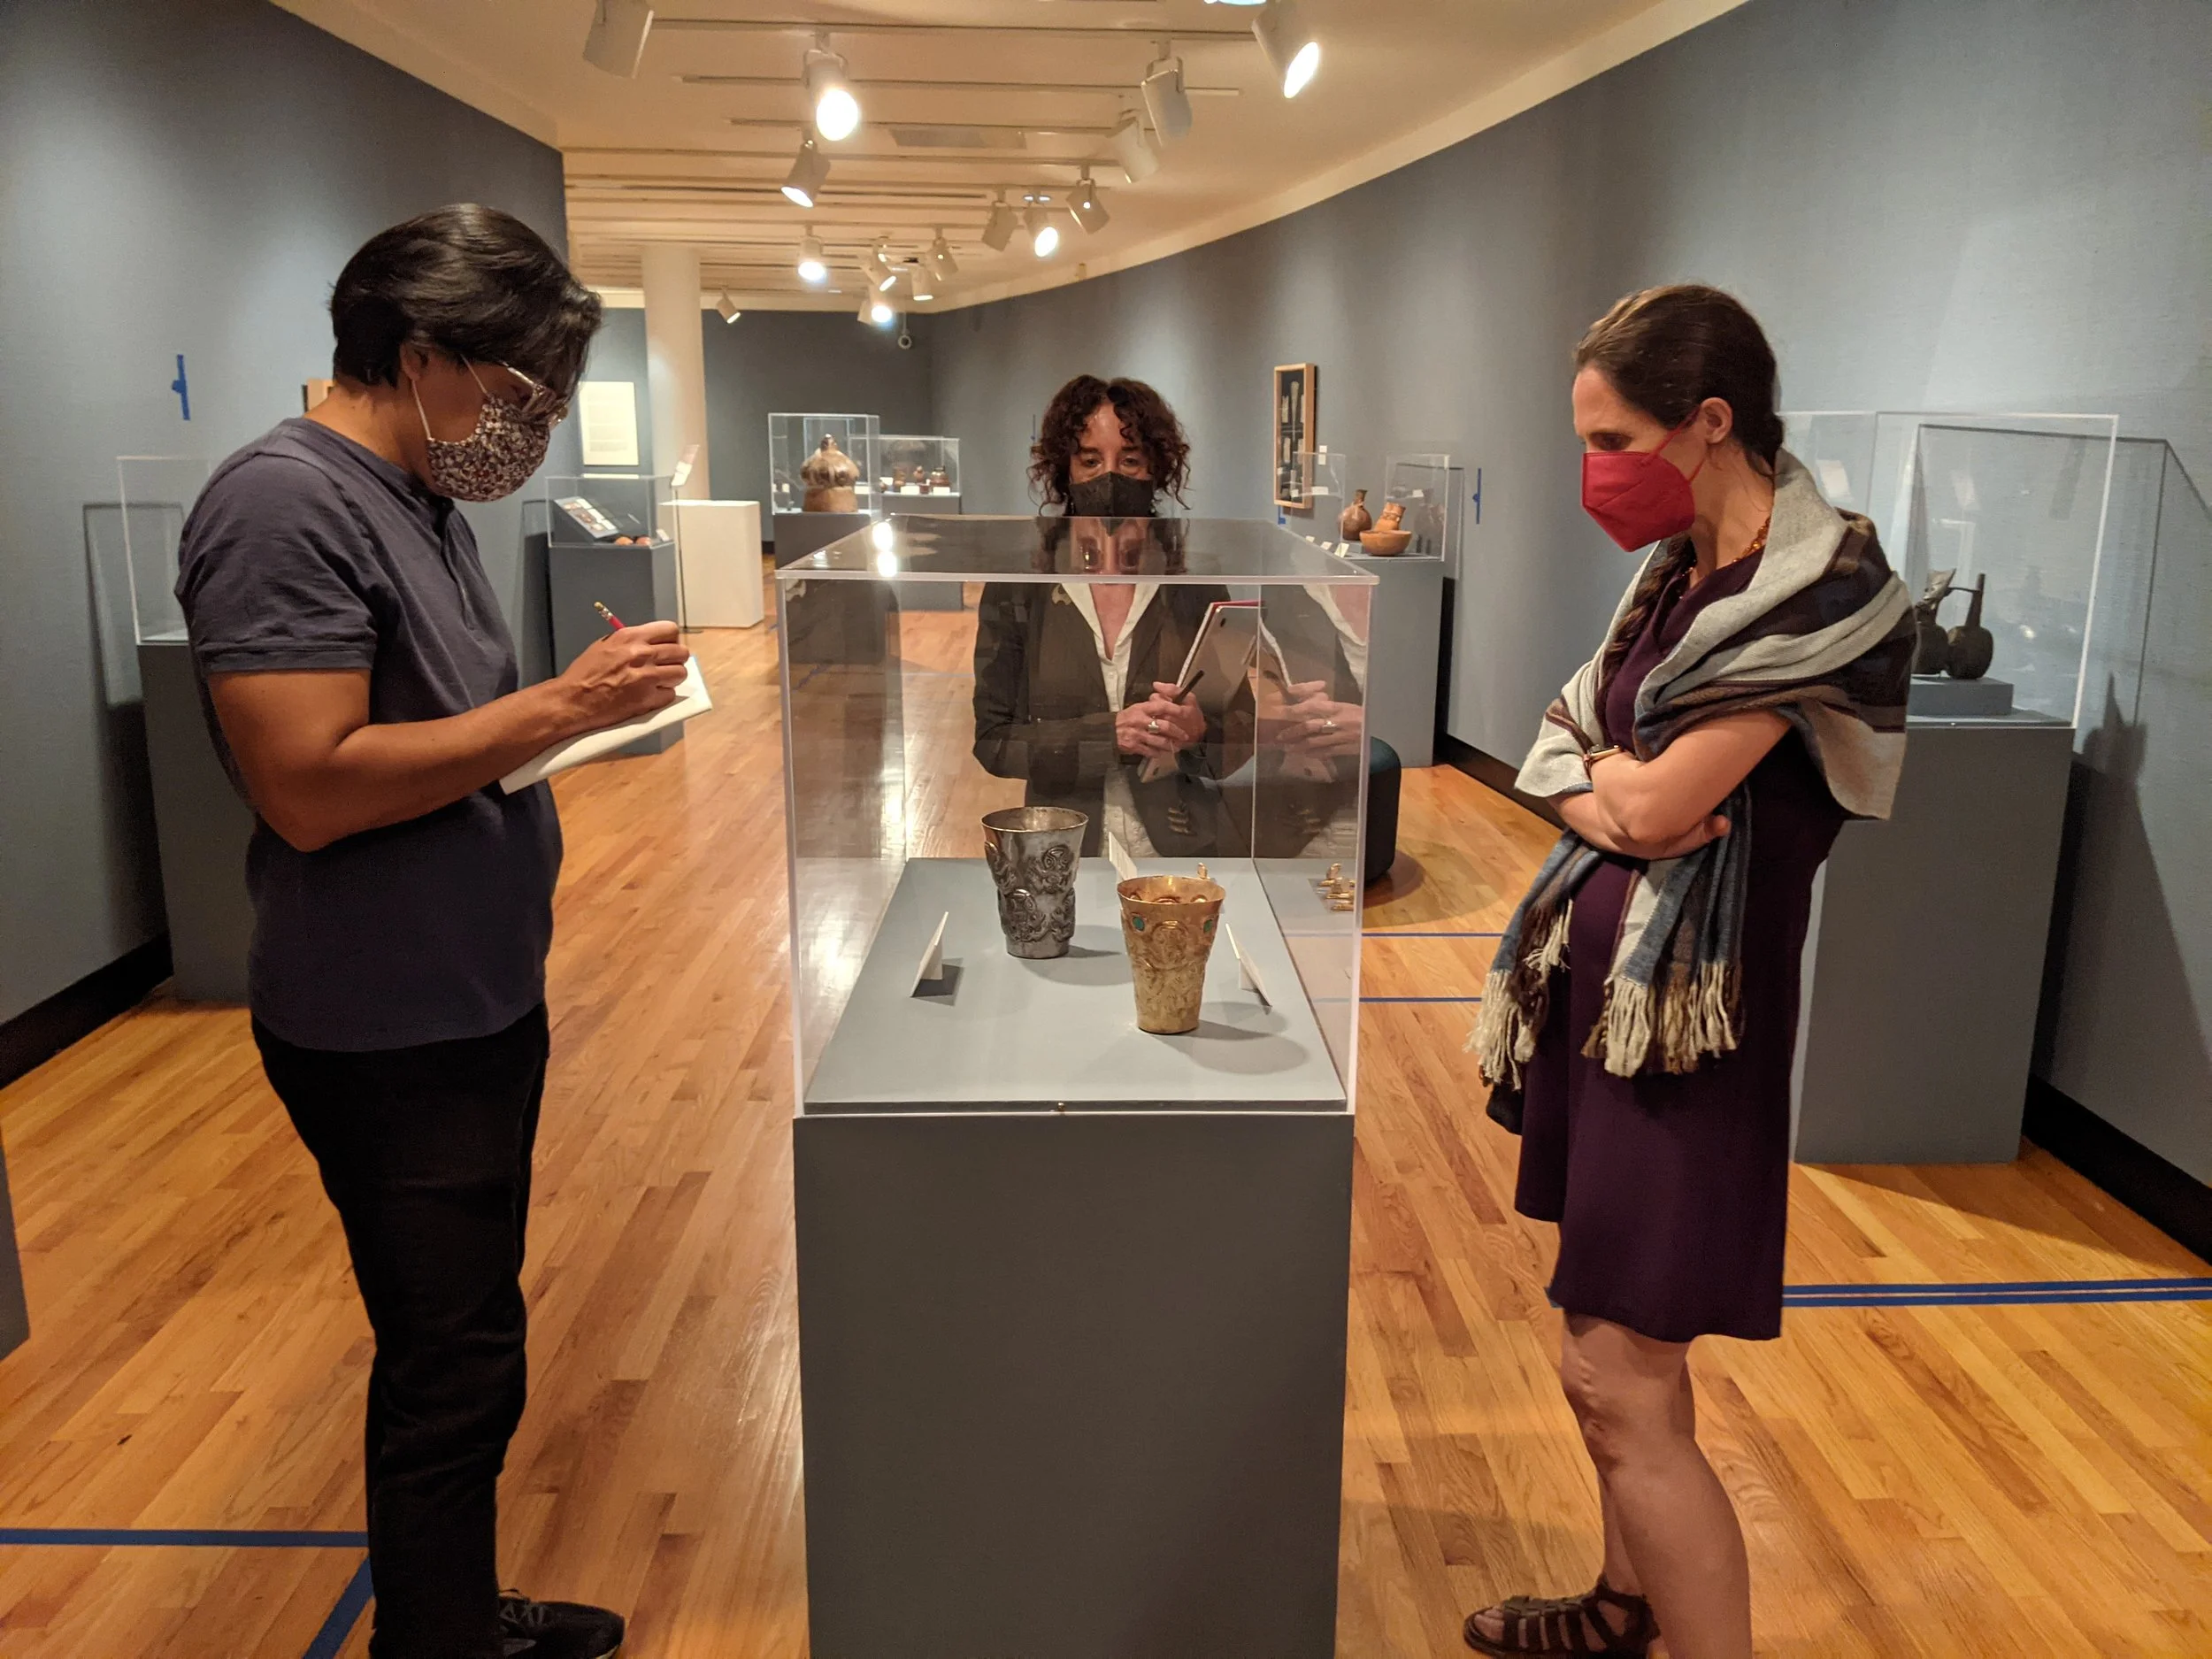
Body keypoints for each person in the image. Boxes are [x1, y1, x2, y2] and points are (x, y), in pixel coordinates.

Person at [174, 204, 687, 1659]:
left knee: (468, 1346)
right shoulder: (281, 505)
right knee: (451, 1366)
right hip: (386, 1023)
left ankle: (450, 1606)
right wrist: (561, 707)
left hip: (467, 998)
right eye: (523, 393)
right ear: (420, 358)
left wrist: (563, 722)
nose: (532, 429)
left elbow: (445, 736)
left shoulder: (413, 503)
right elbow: (307, 785)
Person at [1463, 286, 1914, 1657]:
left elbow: (1656, 806)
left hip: (1689, 1044)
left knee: (1615, 1377)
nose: (1596, 471)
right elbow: (1563, 740)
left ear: (1709, 420)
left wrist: (1609, 788)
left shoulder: (1820, 595)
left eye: (1613, 439)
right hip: (1612, 1020)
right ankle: (1623, 1605)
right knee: (1626, 1362)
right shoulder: (1674, 574)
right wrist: (1611, 789)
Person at [972, 375, 1231, 859]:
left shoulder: (1193, 586)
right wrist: (1107, 736)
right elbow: (994, 742)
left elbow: (1236, 736)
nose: (1109, 478)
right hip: (1061, 850)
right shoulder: (1021, 588)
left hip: (1180, 850)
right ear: (1064, 467)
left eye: (1129, 460)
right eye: (1090, 460)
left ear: (1156, 466)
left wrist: (1199, 733)